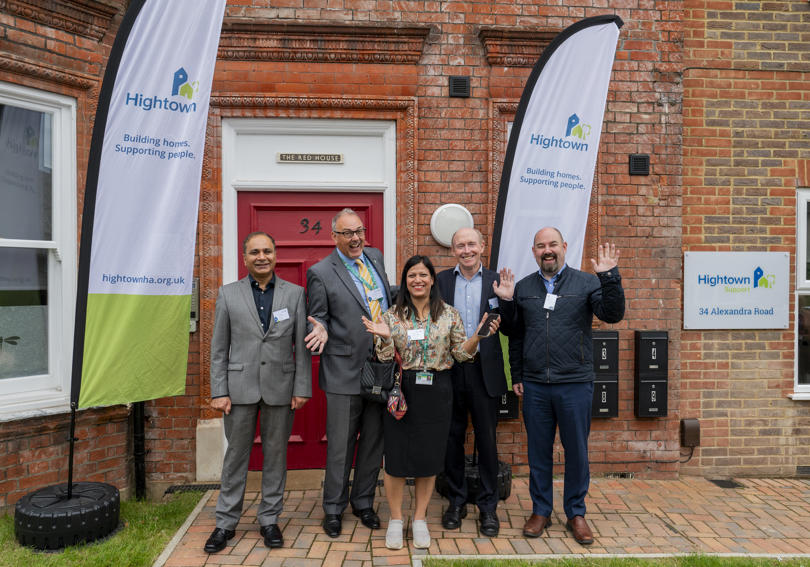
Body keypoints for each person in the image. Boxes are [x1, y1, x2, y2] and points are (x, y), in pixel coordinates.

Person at [494, 227, 624, 545]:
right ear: (534, 251)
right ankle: (541, 511)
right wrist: (519, 375)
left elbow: (613, 314)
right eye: (541, 246)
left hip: (575, 383)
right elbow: (514, 335)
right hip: (537, 385)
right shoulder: (524, 288)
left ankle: (576, 513)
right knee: (538, 451)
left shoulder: (586, 282)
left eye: (553, 244)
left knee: (576, 451)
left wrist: (609, 277)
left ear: (564, 247)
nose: (547, 250)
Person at [363, 255, 501, 550]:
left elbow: (462, 355)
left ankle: (420, 519)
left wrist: (477, 337)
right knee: (396, 459)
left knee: (429, 459)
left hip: (438, 389)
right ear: (405, 280)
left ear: (432, 280)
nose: (418, 280)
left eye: (423, 275)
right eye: (412, 275)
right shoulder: (392, 315)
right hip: (403, 389)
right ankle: (396, 520)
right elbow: (385, 359)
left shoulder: (449, 314)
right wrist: (386, 338)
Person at [206, 232, 326, 553]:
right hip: (239, 389)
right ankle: (225, 523)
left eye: (267, 251)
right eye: (255, 252)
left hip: (280, 389)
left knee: (276, 456)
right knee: (236, 457)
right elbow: (218, 349)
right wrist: (219, 390)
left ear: (275, 255)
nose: (262, 257)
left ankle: (269, 519)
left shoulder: (295, 294)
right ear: (245, 258)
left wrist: (302, 387)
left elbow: (302, 348)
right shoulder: (228, 295)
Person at [306, 208, 392, 537]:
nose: (356, 238)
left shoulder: (375, 257)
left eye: (359, 231)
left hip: (381, 366)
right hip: (344, 369)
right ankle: (333, 508)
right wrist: (322, 331)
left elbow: (384, 299)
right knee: (341, 445)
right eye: (347, 233)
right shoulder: (320, 272)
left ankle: (364, 502)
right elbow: (318, 315)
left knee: (373, 441)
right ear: (334, 237)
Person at [436, 227, 508, 537]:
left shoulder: (496, 281)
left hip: (483, 370)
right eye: (460, 245)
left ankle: (488, 505)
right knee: (451, 438)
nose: (466, 250)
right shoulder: (441, 281)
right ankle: (456, 500)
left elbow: (513, 326)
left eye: (471, 244)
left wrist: (507, 302)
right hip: (450, 369)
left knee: (487, 439)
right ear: (453, 250)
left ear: (482, 246)